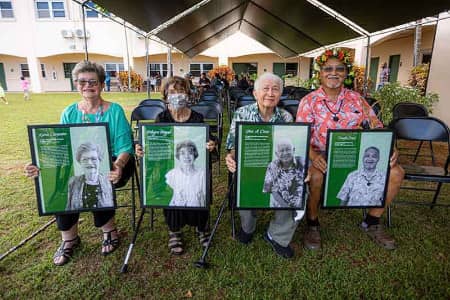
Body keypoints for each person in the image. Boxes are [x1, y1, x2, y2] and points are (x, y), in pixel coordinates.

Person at [25, 60, 134, 266]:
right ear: (76, 84)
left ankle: (108, 229)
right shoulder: (69, 112)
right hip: (80, 163)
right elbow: (63, 146)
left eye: (93, 81)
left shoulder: (115, 111)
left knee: (98, 176)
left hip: (115, 162)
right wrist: (41, 165)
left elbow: (125, 147)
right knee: (64, 183)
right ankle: (69, 239)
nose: (87, 85)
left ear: (102, 84)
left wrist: (117, 165)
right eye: (82, 81)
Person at [296, 48, 404, 251]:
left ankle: (371, 222)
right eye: (328, 68)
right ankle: (312, 224)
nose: (333, 73)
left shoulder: (357, 100)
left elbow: (376, 126)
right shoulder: (308, 102)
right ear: (320, 73)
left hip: (358, 155)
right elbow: (301, 136)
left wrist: (391, 147)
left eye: (339, 69)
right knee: (316, 176)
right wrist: (313, 156)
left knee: (397, 172)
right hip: (321, 154)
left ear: (346, 73)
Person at [135, 76, 216, 255]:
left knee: (198, 189)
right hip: (171, 166)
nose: (177, 95)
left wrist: (210, 144)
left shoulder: (197, 118)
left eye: (181, 91)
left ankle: (202, 229)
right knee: (175, 193)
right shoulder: (161, 118)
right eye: (172, 92)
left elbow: (208, 141)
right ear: (165, 96)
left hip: (193, 165)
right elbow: (153, 144)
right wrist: (142, 149)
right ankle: (174, 231)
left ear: (188, 94)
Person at [225, 72, 298, 259]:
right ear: (256, 94)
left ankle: (278, 235)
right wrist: (231, 158)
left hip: (278, 167)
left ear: (280, 94)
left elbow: (292, 148)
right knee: (242, 177)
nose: (270, 93)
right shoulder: (242, 113)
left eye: (275, 89)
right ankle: (247, 227)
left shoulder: (286, 117)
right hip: (251, 164)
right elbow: (232, 145)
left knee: (294, 182)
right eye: (265, 89)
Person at [67, 142, 114, 210]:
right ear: (80, 162)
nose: (89, 163)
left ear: (99, 160)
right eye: (85, 159)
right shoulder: (73, 182)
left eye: (93, 159)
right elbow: (69, 207)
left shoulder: (108, 181)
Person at [263, 139, 305, 208]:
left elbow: (305, 187)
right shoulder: (272, 166)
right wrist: (287, 207)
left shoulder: (302, 162)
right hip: (281, 204)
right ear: (276, 154)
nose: (285, 153)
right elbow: (274, 191)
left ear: (293, 150)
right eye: (281, 151)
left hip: (300, 203)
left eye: (288, 149)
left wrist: (299, 206)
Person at [166, 140, 206, 207]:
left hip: (196, 211)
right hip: (177, 210)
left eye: (190, 153)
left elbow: (204, 197)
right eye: (182, 153)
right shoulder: (172, 174)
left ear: (195, 155)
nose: (186, 156)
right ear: (178, 156)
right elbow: (173, 195)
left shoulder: (202, 174)